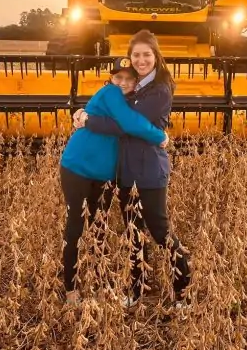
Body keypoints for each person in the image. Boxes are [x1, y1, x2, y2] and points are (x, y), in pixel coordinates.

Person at [74, 29, 191, 310]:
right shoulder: (133, 87)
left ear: (156, 57)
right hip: (125, 172)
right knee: (132, 233)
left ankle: (184, 291)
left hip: (149, 172)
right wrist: (83, 112)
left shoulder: (160, 89)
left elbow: (126, 125)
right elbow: (114, 115)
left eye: (146, 54)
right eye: (136, 55)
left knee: (160, 231)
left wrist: (88, 121)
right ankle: (136, 290)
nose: (141, 60)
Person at [59, 56, 169, 306]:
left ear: (136, 81)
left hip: (106, 174)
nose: (122, 82)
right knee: (76, 225)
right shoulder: (110, 93)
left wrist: (88, 118)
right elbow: (129, 125)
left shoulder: (133, 101)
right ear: (111, 78)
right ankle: (71, 288)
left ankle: (100, 282)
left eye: (129, 78)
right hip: (77, 167)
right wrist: (159, 136)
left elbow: (121, 125)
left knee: (100, 228)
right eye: (118, 77)